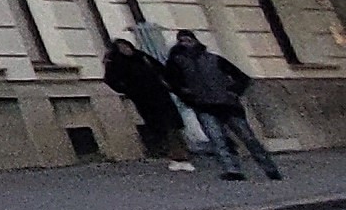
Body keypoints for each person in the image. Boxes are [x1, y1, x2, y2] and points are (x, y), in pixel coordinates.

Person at [163, 30, 283, 180]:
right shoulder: (175, 63)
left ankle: (269, 168)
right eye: (182, 41)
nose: (186, 44)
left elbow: (242, 77)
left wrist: (233, 92)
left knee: (248, 138)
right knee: (217, 139)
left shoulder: (214, 59)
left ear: (195, 41)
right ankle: (232, 170)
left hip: (228, 105)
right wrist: (188, 97)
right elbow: (172, 83)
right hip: (204, 106)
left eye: (188, 40)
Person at [102, 29, 192, 169]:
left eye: (127, 46)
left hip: (160, 93)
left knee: (172, 123)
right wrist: (128, 90)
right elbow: (111, 80)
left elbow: (160, 69)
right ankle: (172, 151)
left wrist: (173, 86)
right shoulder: (117, 62)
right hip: (143, 98)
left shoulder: (141, 56)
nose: (126, 49)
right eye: (122, 48)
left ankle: (180, 151)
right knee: (159, 124)